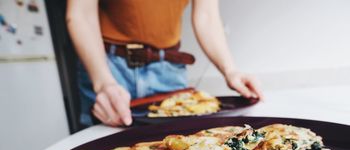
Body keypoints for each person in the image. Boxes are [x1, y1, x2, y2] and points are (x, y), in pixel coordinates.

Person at [66, 0, 263, 127]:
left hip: (169, 68)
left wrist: (230, 70)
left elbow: (207, 16)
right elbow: (81, 14)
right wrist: (103, 83)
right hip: (106, 67)